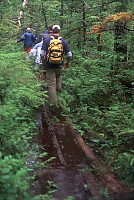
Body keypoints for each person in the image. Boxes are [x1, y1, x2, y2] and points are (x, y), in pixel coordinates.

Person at [41, 25, 72, 107]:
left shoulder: (47, 40)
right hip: (60, 65)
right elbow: (69, 54)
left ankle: (53, 104)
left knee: (51, 85)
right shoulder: (63, 41)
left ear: (51, 30)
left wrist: (44, 64)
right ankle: (61, 98)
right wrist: (67, 63)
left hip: (49, 65)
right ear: (59, 30)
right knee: (59, 81)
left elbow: (42, 54)